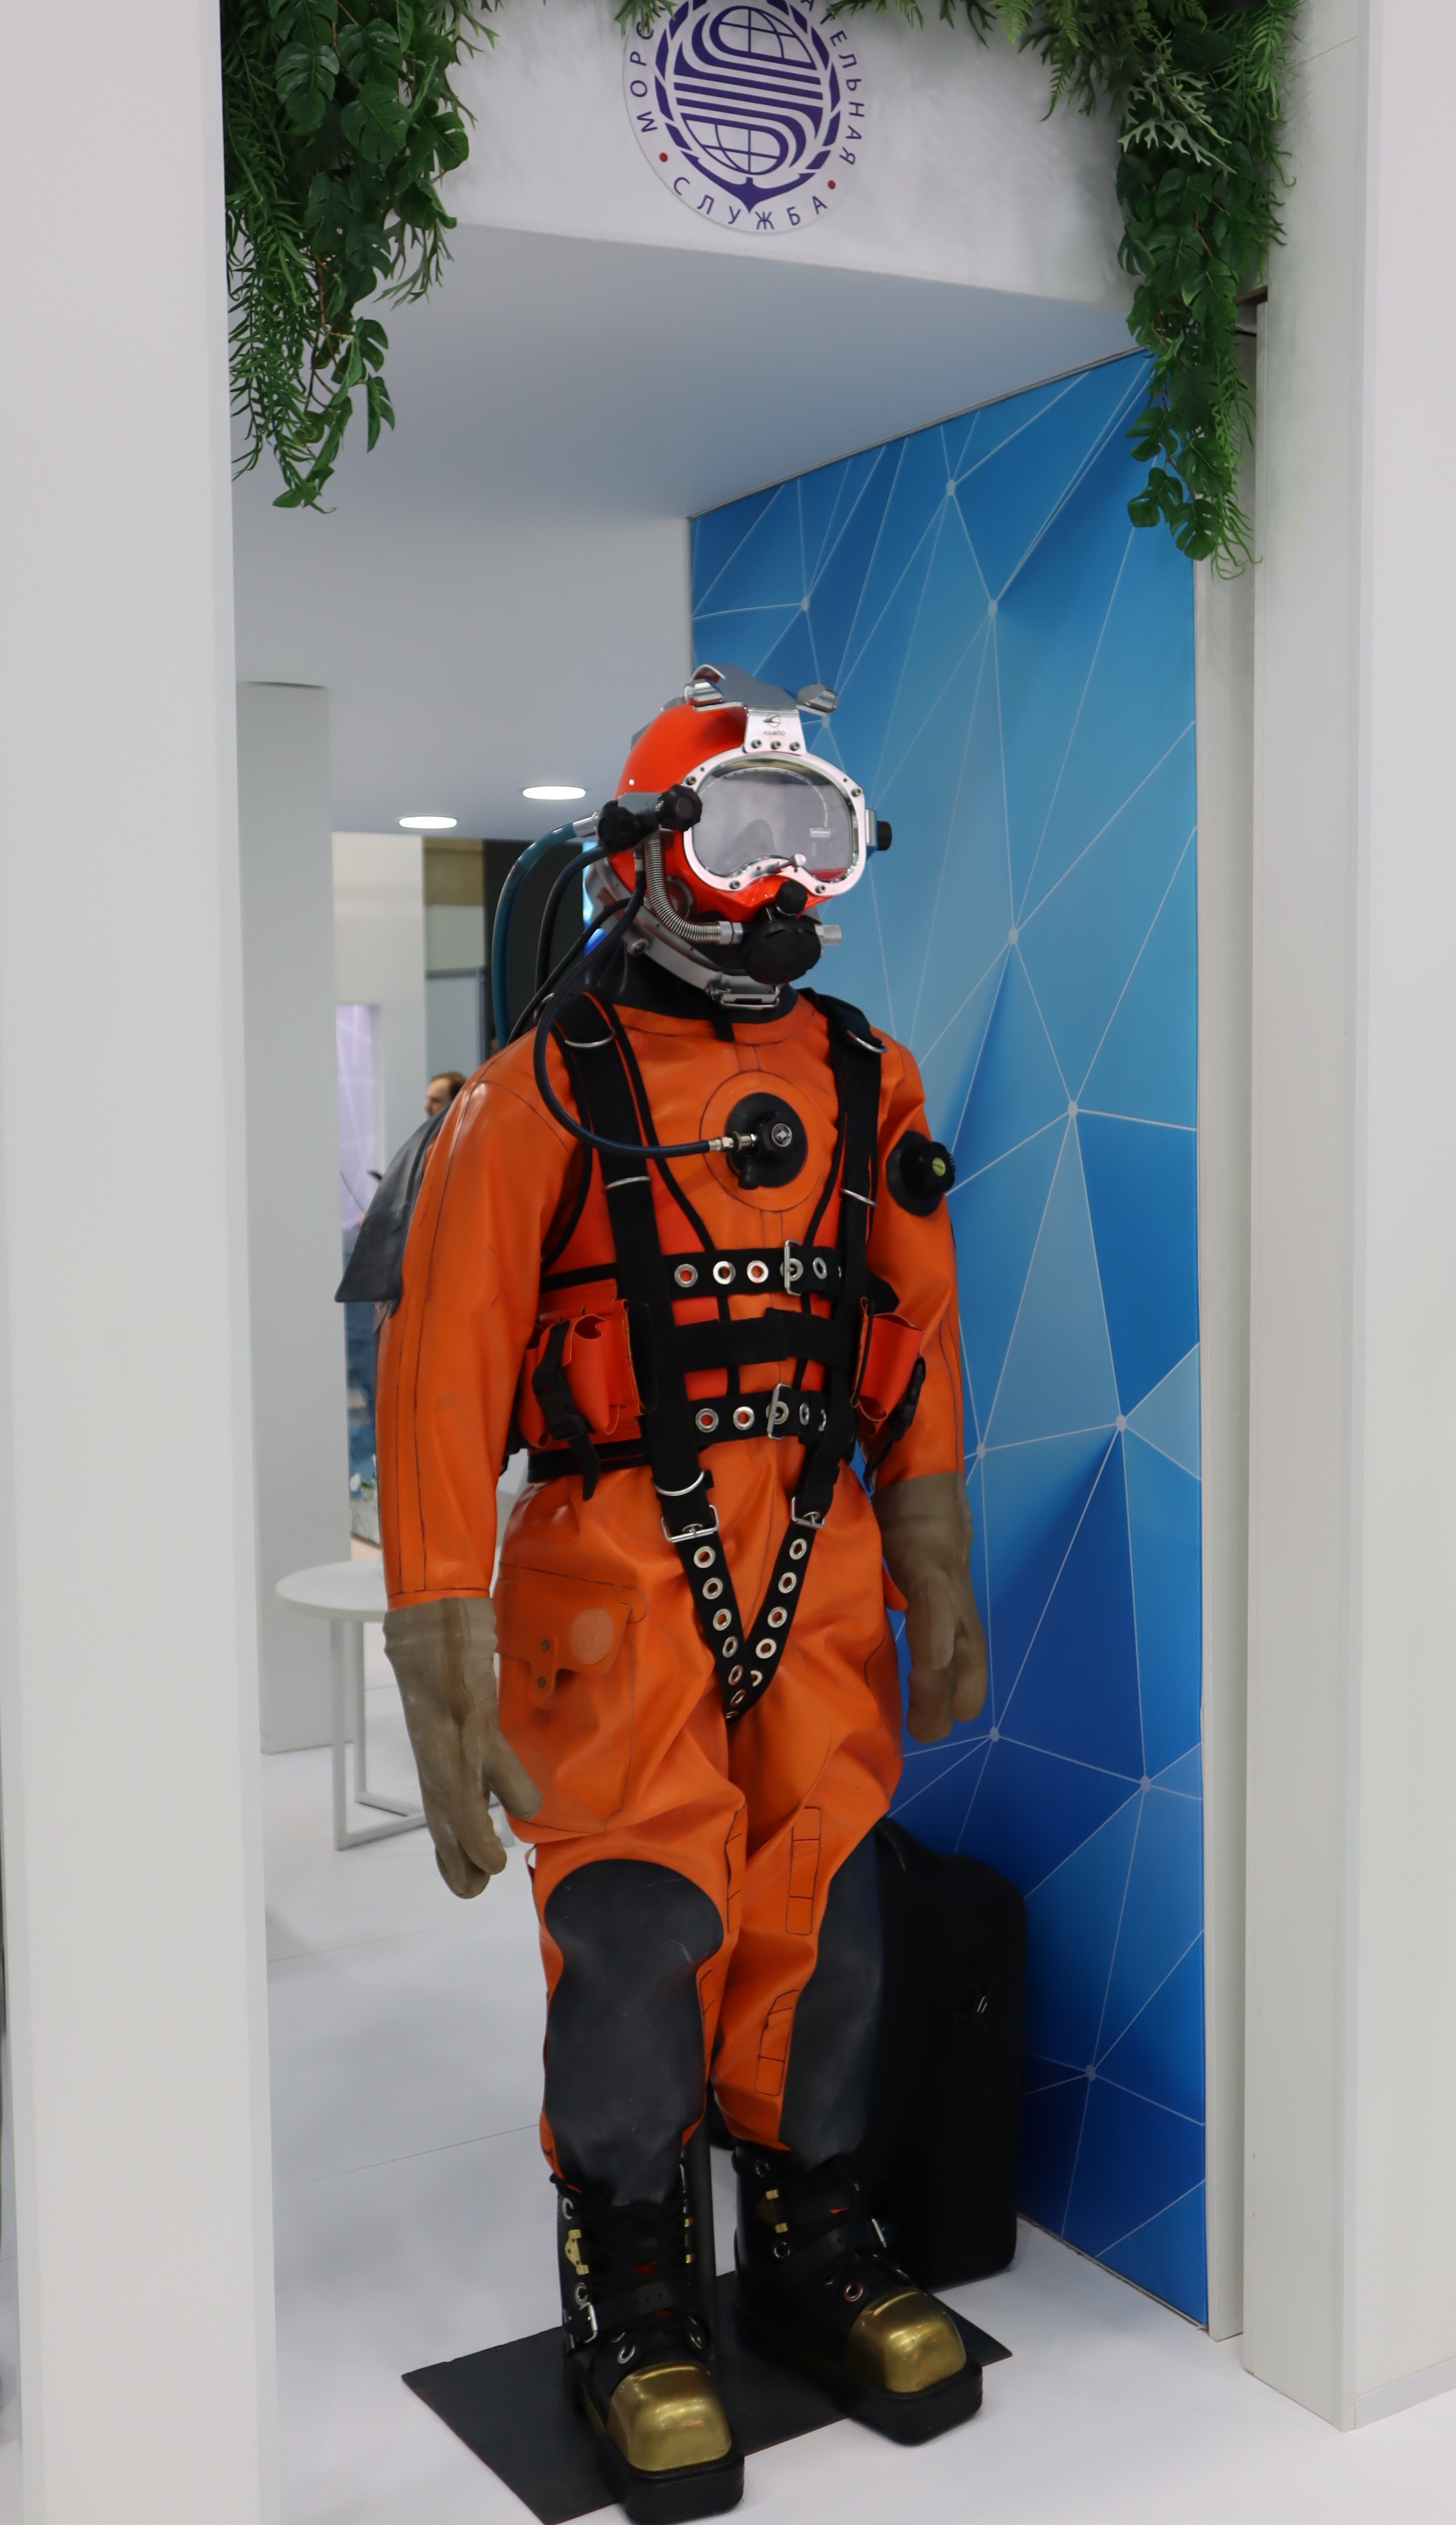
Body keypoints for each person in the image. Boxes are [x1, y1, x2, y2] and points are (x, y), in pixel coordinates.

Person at [372, 664, 987, 2522]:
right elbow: (440, 1378)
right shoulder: (535, 1097)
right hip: (610, 1574)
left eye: (813, 840)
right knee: (640, 1925)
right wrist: (438, 1646)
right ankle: (632, 2283)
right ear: (642, 856)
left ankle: (809, 2234)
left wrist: (935, 1555)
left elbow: (913, 1327)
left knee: (827, 1907)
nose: (780, 882)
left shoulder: (866, 1077)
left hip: (815, 1555)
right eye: (740, 838)